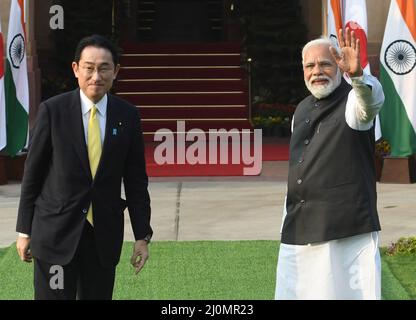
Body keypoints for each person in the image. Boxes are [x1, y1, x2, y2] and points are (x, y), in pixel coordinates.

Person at [15, 34, 152, 300]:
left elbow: (136, 181)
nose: (96, 76)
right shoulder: (53, 111)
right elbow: (32, 175)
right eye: (89, 67)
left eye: (104, 68)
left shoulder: (128, 116)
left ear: (116, 72)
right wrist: (24, 230)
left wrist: (142, 235)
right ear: (76, 69)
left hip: (102, 236)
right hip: (55, 233)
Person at [275, 28, 385, 300]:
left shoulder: (353, 102)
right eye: (310, 65)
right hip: (299, 229)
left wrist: (358, 75)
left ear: (338, 65)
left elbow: (370, 102)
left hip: (346, 233)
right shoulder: (300, 110)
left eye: (325, 63)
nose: (317, 71)